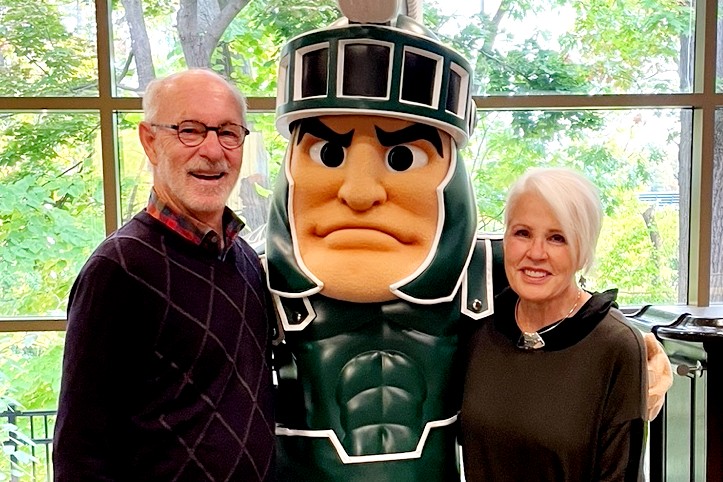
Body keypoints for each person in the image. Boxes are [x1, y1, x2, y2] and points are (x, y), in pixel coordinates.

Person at [265, 1, 670, 481]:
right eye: (329, 153)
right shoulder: (252, 281)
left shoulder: (485, 271)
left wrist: (637, 352)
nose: (359, 191)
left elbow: (573, 306)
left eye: (401, 158)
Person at [52, 69, 276, 481]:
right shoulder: (119, 268)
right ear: (150, 142)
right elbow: (80, 449)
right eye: (189, 130)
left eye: (228, 133)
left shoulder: (243, 259)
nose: (213, 151)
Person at [461, 167, 647, 481]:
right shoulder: (479, 327)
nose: (535, 253)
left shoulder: (616, 344)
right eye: (522, 233)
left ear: (583, 250)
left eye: (557, 238)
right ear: (505, 239)